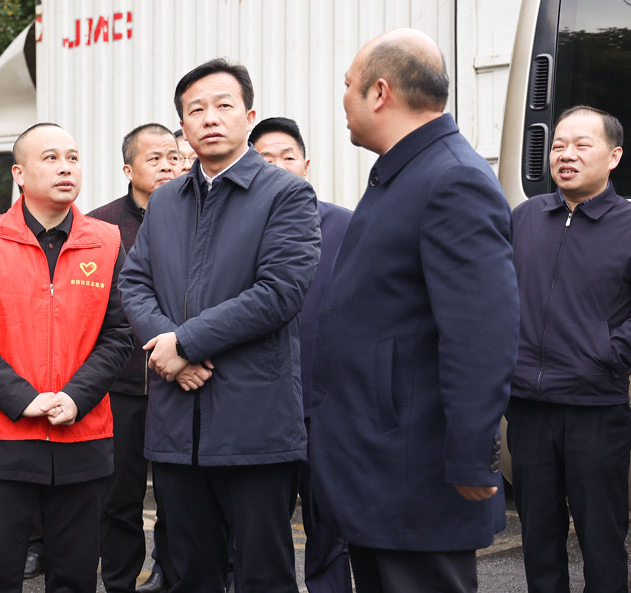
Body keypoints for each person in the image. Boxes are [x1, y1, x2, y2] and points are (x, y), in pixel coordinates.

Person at [309, 29, 518, 593]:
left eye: (348, 86)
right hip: (382, 464)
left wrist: (473, 457)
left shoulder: (452, 180)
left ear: (380, 93)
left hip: (416, 470)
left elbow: (481, 333)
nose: (343, 99)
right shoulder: (405, 173)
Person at [119, 59, 321, 593]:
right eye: (196, 110)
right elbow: (133, 283)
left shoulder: (285, 194)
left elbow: (280, 292)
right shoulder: (166, 200)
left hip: (253, 424)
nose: (210, 118)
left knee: (262, 573)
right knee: (189, 571)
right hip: (176, 422)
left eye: (223, 105)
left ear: (248, 116)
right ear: (183, 127)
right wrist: (169, 351)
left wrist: (185, 342)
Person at [0, 122, 132, 592]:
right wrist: (22, 398)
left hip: (82, 434)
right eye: (50, 158)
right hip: (2, 437)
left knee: (75, 576)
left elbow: (119, 334)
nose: (66, 167)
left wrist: (76, 397)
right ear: (19, 174)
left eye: (73, 157)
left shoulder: (107, 240)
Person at [508, 105, 631, 593]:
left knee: (603, 541)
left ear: (613, 156)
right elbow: (496, 295)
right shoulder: (525, 217)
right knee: (538, 542)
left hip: (595, 408)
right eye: (559, 145)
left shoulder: (628, 223)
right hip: (528, 408)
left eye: (582, 145)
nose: (566, 155)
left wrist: (611, 353)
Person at [249, 117, 354, 593]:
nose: (278, 166)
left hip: (325, 405)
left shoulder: (345, 225)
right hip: (259, 406)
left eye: (287, 157)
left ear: (306, 165)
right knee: (258, 530)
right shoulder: (236, 229)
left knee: (329, 524)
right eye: (265, 159)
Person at [89, 123, 181, 593]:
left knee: (179, 496)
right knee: (119, 497)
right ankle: (119, 581)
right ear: (128, 169)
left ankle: (172, 575)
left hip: (182, 381)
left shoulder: (197, 214)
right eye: (154, 158)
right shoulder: (100, 226)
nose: (167, 166)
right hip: (121, 385)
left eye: (173, 156)